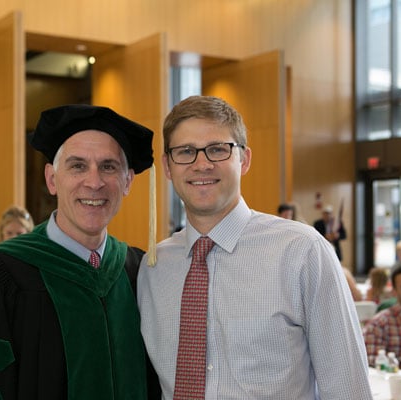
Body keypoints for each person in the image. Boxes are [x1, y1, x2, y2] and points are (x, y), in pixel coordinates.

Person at [138, 95, 371, 399]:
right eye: (185, 152)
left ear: (244, 159)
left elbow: (347, 388)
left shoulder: (302, 252)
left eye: (218, 149)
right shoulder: (154, 268)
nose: (202, 164)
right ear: (168, 167)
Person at [0, 104, 157, 400]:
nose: (94, 182)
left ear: (127, 181)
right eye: (78, 166)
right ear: (52, 179)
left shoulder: (140, 272)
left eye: (108, 167)